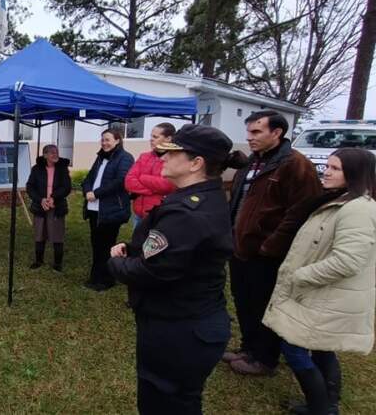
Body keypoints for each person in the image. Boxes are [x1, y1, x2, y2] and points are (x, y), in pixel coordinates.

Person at [107, 124, 247, 414]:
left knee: (163, 401)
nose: (163, 158)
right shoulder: (201, 197)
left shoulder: (188, 211)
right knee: (180, 401)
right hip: (190, 322)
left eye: (172, 154)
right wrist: (134, 250)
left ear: (196, 163)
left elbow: (153, 272)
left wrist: (116, 262)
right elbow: (175, 252)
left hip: (178, 330)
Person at [263, 148, 376, 415]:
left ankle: (320, 407)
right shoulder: (342, 201)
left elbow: (348, 260)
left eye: (335, 168)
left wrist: (301, 276)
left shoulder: (357, 209)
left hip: (324, 294)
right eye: (328, 165)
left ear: (355, 174)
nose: (326, 171)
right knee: (322, 348)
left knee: (294, 348)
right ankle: (328, 404)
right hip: (322, 294)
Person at [225, 110, 322, 376]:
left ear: (277, 133)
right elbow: (238, 201)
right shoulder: (252, 162)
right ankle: (248, 347)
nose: (250, 138)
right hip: (239, 246)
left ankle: (265, 359)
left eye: (256, 132)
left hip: (267, 253)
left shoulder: (294, 165)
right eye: (249, 132)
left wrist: (271, 246)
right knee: (243, 300)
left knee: (264, 304)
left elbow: (301, 211)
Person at [81, 128, 134, 291]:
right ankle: (95, 277)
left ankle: (106, 280)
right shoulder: (100, 158)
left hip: (111, 210)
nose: (104, 143)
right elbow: (89, 178)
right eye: (102, 139)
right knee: (96, 245)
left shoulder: (125, 158)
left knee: (106, 246)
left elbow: (120, 181)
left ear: (117, 140)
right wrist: (87, 191)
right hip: (94, 209)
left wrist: (96, 193)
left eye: (108, 139)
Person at [26, 144, 72, 271]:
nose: (55, 154)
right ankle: (38, 261)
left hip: (56, 206)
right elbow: (30, 186)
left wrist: (53, 197)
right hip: (40, 206)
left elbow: (66, 187)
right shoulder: (36, 169)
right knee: (39, 234)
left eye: (56, 152)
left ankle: (57, 264)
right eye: (52, 152)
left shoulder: (62, 168)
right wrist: (40, 200)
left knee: (57, 235)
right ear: (45, 155)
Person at [125, 122, 177, 227]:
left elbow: (167, 185)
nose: (151, 139)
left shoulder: (174, 159)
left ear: (168, 139)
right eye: (151, 136)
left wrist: (142, 178)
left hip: (159, 214)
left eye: (155, 137)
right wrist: (154, 190)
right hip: (138, 214)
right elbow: (128, 182)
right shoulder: (144, 156)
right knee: (136, 243)